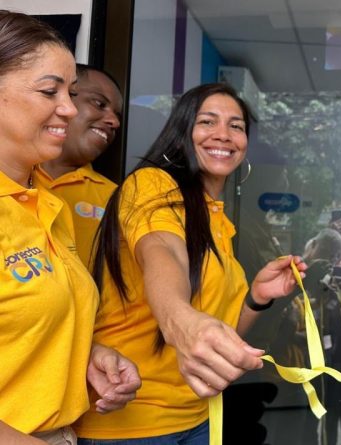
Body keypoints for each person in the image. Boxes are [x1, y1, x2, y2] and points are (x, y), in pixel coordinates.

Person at [73, 83, 307, 444]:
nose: (223, 134)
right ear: (182, 131)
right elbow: (161, 250)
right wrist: (180, 320)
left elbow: (218, 333)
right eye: (207, 122)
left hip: (198, 417)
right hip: (134, 422)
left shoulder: (218, 221)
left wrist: (258, 297)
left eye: (236, 126)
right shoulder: (151, 184)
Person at [0, 10, 140, 445]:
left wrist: (87, 354)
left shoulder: (45, 204)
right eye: (50, 91)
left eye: (72, 92)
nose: (69, 108)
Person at [35, 64, 122, 268]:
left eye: (118, 116)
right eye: (99, 104)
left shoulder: (117, 199)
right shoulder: (13, 175)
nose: (114, 122)